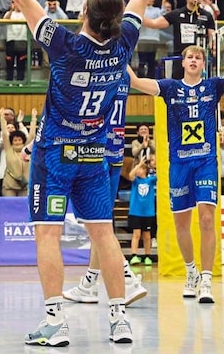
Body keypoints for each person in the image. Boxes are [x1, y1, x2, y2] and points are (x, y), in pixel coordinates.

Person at [0, 0, 170, 347]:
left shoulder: (63, 45)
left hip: (56, 154)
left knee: (48, 234)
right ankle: (119, 321)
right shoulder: (125, 43)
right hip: (95, 154)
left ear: (84, 13)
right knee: (103, 234)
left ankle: (54, 321)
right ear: (117, 19)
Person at [126, 19, 224, 304]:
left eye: (198, 57)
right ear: (183, 62)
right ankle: (190, 272)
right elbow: (136, 82)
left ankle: (205, 279)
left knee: (206, 218)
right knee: (181, 224)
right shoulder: (170, 88)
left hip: (204, 162)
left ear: (203, 64)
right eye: (189, 56)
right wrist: (121, 52)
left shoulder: (213, 86)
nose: (193, 60)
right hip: (177, 164)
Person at [63, 72, 148, 307]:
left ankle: (128, 279)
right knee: (100, 224)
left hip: (94, 152)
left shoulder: (97, 72)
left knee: (97, 226)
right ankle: (89, 284)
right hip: (115, 152)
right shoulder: (121, 74)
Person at [127, 155, 157, 265]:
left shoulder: (150, 180)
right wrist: (138, 164)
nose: (137, 170)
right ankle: (134, 255)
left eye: (140, 168)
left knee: (147, 235)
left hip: (148, 213)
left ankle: (147, 256)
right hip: (136, 212)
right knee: (136, 234)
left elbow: (160, 175)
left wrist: (154, 164)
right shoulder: (135, 181)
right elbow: (130, 175)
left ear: (144, 170)